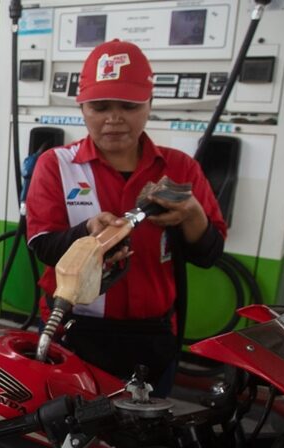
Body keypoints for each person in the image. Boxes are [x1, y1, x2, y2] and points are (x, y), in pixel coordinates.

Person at [25, 39, 227, 395]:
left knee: (147, 427)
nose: (114, 118)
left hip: (154, 335)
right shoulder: (56, 164)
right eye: (100, 106)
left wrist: (192, 214)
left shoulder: (179, 168)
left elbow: (208, 255)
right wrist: (88, 233)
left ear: (149, 105)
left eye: (129, 106)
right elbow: (43, 246)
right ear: (82, 107)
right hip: (73, 328)